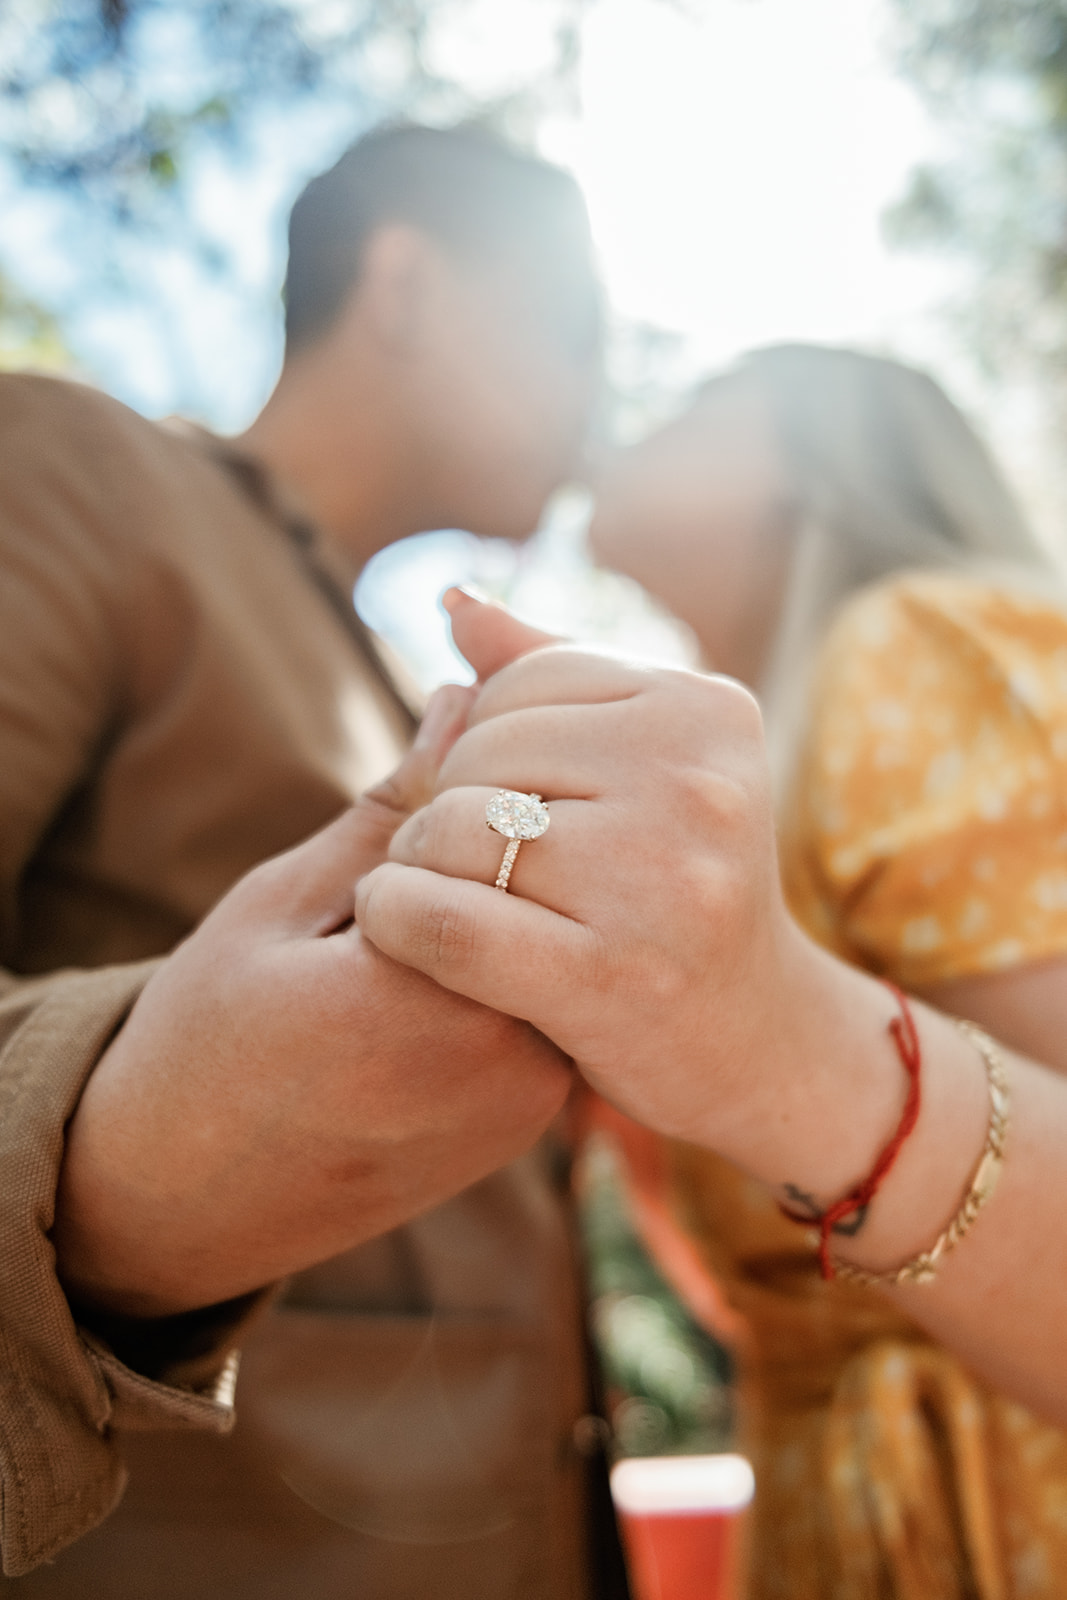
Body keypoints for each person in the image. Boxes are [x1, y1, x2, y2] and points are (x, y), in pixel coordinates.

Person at [0, 122, 609, 1597]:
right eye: (569, 332)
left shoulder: (406, 687)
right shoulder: (70, 473)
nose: (598, 403)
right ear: (400, 287)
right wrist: (127, 1169)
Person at [355, 348, 1067, 1600]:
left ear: (807, 458)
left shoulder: (911, 639)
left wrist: (779, 1049)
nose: (627, 416)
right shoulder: (763, 753)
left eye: (698, 402)